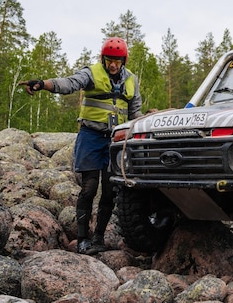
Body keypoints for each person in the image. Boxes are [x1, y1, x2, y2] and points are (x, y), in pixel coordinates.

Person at [20, 37, 142, 255]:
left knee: (109, 191)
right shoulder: (91, 73)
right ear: (102, 58)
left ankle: (99, 238)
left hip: (115, 140)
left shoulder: (132, 80)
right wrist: (43, 84)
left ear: (123, 60)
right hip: (91, 136)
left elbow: (135, 113)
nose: (112, 64)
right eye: (108, 60)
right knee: (89, 188)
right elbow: (69, 83)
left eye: (117, 60)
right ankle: (83, 239)